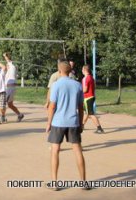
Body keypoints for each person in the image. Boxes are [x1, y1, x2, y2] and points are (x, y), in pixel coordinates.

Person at [46, 61, 86, 190]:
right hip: (73, 121)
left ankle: (54, 183)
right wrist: (80, 123)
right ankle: (83, 182)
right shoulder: (78, 85)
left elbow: (52, 106)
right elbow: (81, 107)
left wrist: (48, 123)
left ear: (59, 71)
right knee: (78, 151)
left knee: (55, 151)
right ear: (70, 71)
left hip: (58, 122)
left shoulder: (56, 85)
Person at [82, 65, 105, 134]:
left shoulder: (85, 78)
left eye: (82, 69)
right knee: (87, 113)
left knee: (91, 114)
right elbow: (94, 87)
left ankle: (99, 128)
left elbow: (85, 90)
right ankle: (81, 126)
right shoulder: (91, 78)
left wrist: (79, 90)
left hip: (87, 98)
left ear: (85, 70)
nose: (82, 70)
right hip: (91, 97)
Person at [3, 53, 24, 122]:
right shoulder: (9, 67)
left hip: (10, 88)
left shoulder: (11, 66)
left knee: (3, 103)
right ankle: (20, 114)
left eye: (6, 58)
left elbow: (8, 60)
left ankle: (2, 117)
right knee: (10, 104)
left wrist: (5, 56)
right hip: (10, 88)